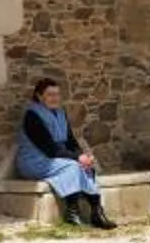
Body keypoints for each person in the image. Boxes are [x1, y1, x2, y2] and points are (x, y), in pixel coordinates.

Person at [16, 76, 114, 231]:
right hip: (34, 160)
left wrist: (84, 157)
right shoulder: (32, 115)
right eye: (50, 95)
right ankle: (72, 212)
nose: (55, 98)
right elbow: (49, 148)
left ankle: (97, 212)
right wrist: (77, 158)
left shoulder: (60, 113)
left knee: (86, 165)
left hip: (54, 158)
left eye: (57, 94)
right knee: (72, 167)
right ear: (39, 96)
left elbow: (71, 142)